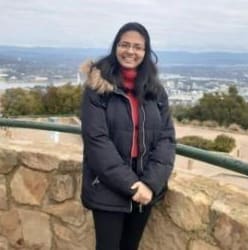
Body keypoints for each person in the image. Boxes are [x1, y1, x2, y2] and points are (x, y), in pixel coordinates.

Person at [80, 22, 176, 250]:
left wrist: (150, 184)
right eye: (125, 45)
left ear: (146, 52)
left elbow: (167, 138)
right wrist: (132, 185)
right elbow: (97, 141)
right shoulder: (98, 87)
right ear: (116, 47)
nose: (131, 51)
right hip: (107, 187)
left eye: (138, 47)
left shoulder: (155, 90)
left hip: (145, 186)